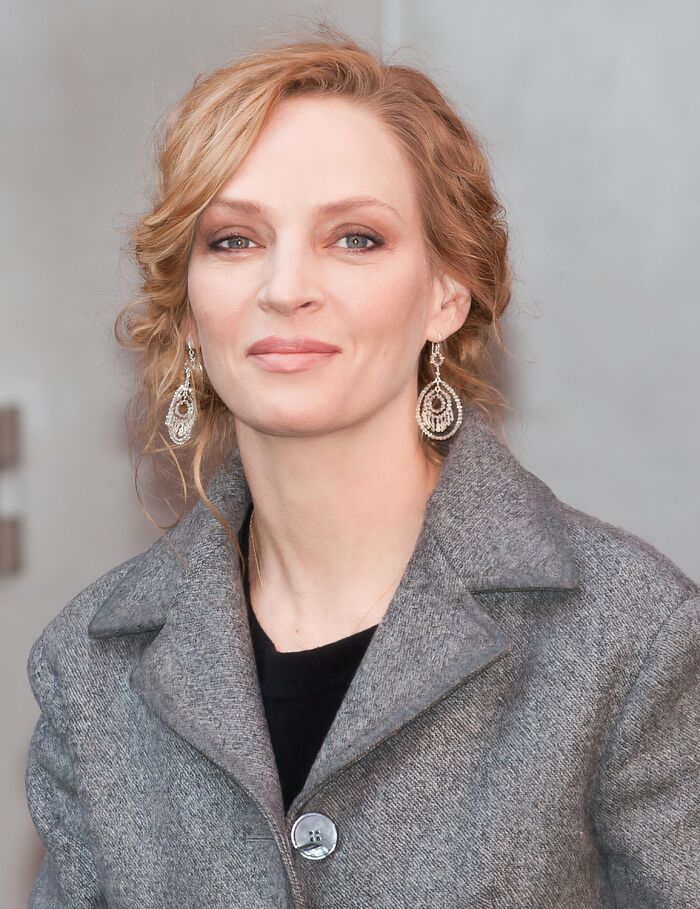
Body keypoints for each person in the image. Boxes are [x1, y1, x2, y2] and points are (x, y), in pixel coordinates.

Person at [24, 25, 699, 909]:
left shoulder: (632, 638)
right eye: (234, 240)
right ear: (187, 310)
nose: (285, 287)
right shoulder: (87, 666)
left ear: (446, 293)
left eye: (355, 238)